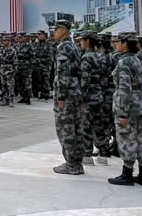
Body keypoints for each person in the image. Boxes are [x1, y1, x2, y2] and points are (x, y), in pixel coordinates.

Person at [108, 32, 142, 187]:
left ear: (125, 44)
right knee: (139, 139)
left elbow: (125, 89)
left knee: (126, 139)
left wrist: (123, 113)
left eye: (119, 41)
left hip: (128, 106)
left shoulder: (124, 62)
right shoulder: (137, 60)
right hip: (139, 105)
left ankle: (127, 173)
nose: (116, 43)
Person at [52, 20, 85, 175]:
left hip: (67, 94)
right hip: (75, 91)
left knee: (66, 129)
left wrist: (61, 95)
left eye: (56, 29)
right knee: (76, 128)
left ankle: (72, 164)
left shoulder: (63, 47)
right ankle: (77, 162)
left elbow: (63, 72)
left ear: (64, 30)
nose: (54, 32)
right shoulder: (73, 46)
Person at [79, 31, 105, 166]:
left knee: (86, 126)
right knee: (99, 126)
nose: (80, 42)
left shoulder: (86, 58)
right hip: (98, 95)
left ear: (88, 41)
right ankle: (103, 154)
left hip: (88, 97)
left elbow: (84, 80)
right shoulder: (98, 56)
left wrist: (80, 97)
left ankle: (87, 155)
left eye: (82, 40)